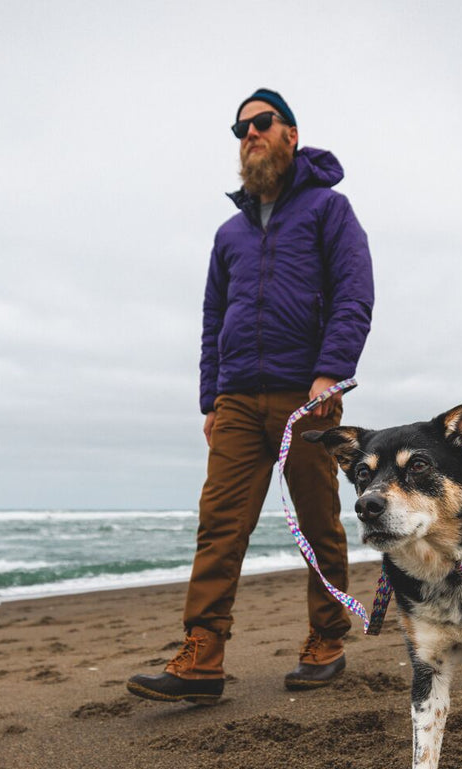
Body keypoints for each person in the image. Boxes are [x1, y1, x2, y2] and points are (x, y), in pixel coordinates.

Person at [128, 88, 374, 704]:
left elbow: (353, 295)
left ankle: (327, 639)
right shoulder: (230, 234)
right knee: (219, 525)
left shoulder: (329, 210)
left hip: (305, 394)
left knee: (319, 522)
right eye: (239, 129)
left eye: (261, 123)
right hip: (237, 397)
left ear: (291, 134)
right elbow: (213, 317)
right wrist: (211, 399)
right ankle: (202, 656)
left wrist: (329, 376)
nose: (249, 134)